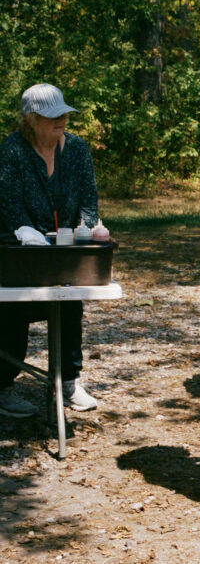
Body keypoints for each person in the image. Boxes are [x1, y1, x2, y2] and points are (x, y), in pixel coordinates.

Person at [0, 84, 100, 418]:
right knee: (13, 312)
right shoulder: (11, 150)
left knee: (70, 305)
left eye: (64, 114)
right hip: (21, 250)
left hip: (65, 250)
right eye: (53, 116)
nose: (62, 120)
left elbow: (88, 200)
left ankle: (68, 381)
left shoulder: (76, 149)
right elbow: (9, 205)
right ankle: (3, 385)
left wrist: (88, 229)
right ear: (30, 118)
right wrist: (26, 232)